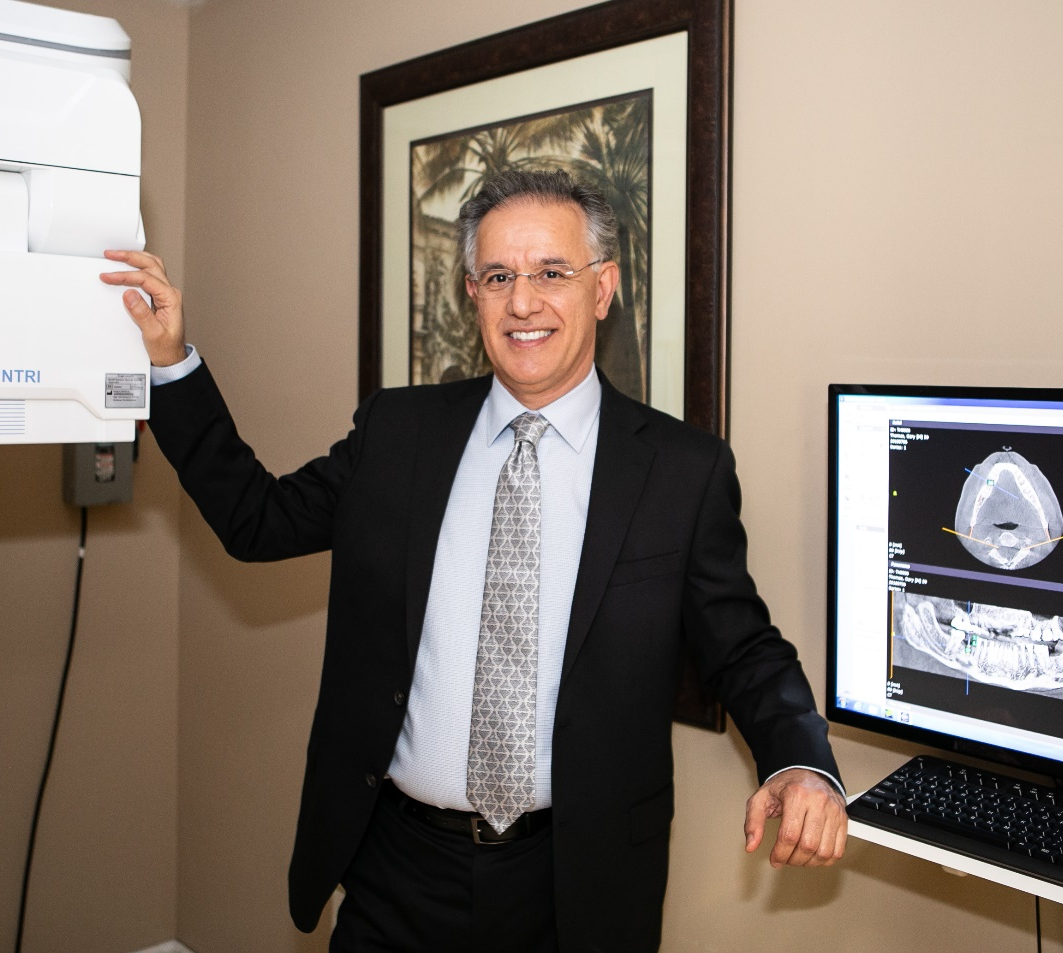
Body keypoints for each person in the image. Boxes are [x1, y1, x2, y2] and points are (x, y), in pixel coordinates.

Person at [101, 170, 847, 953]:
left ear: (603, 288)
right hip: (396, 868)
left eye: (552, 273)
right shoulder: (398, 432)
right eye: (498, 277)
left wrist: (801, 760)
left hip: (573, 884)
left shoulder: (681, 470)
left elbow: (745, 649)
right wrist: (173, 360)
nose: (522, 301)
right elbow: (255, 520)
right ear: (473, 294)